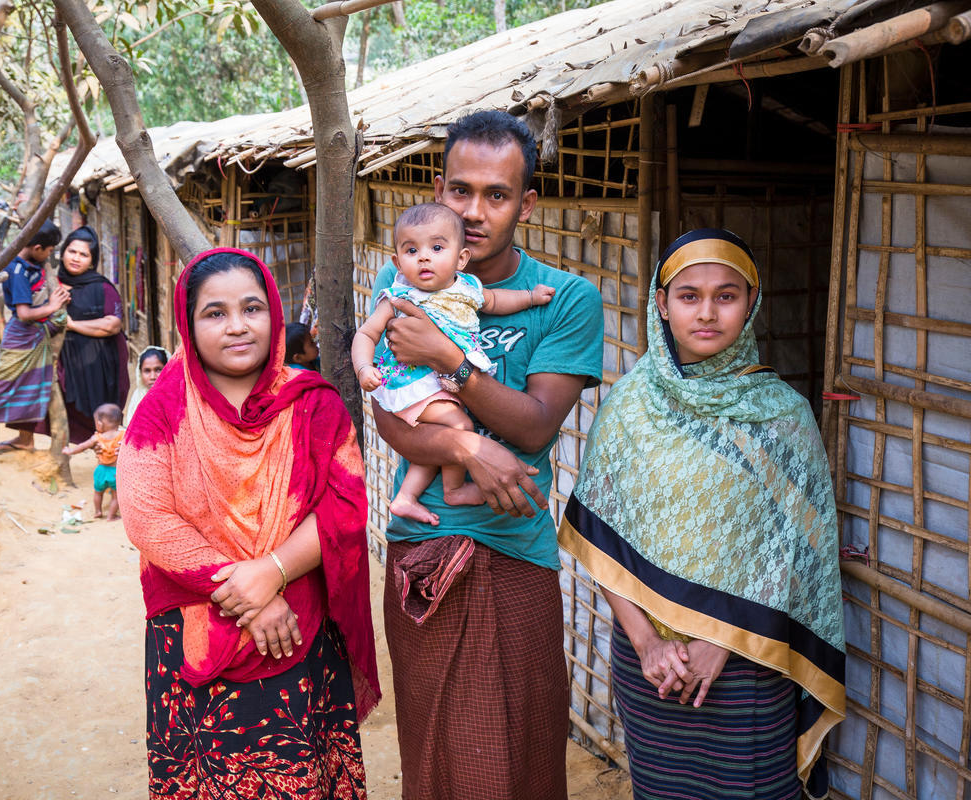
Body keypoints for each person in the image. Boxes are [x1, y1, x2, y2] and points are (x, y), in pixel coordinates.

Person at [557, 228, 846, 800]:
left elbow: (796, 549)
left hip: (747, 662)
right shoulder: (629, 410)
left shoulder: (785, 419)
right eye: (689, 296)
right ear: (661, 304)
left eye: (726, 295)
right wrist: (646, 644)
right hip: (651, 667)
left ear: (751, 303)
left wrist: (722, 638)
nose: (707, 312)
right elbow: (603, 537)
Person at [369, 110, 603, 799]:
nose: (473, 212)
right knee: (437, 759)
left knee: (524, 760)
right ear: (439, 189)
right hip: (423, 548)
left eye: (496, 195)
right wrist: (471, 445)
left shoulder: (565, 299)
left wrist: (450, 361)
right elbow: (392, 420)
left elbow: (533, 429)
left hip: (515, 555)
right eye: (460, 191)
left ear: (526, 203)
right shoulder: (405, 283)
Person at [117, 247, 379, 798]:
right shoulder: (161, 409)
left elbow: (344, 504)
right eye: (215, 313)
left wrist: (276, 569)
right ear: (189, 325)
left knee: (299, 775)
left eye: (252, 308)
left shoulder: (314, 404)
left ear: (274, 314)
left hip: (295, 632)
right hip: (198, 626)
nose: (237, 326)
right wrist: (255, 590)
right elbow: (147, 518)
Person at [353, 202, 554, 524]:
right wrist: (364, 368)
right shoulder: (398, 297)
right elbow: (366, 333)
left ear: (461, 259)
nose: (423, 257)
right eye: (411, 250)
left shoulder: (468, 288)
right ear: (397, 263)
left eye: (436, 247)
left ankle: (406, 495)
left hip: (444, 383)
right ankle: (454, 490)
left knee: (442, 431)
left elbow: (497, 301)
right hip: (415, 382)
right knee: (460, 426)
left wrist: (530, 298)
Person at [0, 220, 68, 458]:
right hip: (21, 338)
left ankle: (25, 439)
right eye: (49, 250)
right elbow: (24, 313)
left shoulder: (30, 264)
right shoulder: (18, 271)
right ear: (36, 247)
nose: (50, 255)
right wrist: (53, 305)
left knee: (30, 388)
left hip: (34, 336)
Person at [48, 225, 129, 444]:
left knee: (101, 415)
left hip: (98, 365)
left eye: (84, 254)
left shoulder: (102, 288)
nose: (76, 258)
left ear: (92, 261)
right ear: (63, 252)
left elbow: (112, 324)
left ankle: (109, 460)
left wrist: (73, 325)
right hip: (64, 361)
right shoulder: (51, 285)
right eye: (72, 251)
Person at [63, 402, 124, 520]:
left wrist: (70, 451)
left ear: (100, 424)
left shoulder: (97, 437)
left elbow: (83, 446)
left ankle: (98, 511)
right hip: (116, 472)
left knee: (98, 492)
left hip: (100, 470)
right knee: (116, 497)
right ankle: (111, 516)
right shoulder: (122, 435)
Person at [122, 346, 169, 426]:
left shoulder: (175, 396)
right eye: (147, 371)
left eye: (158, 370)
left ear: (168, 369)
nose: (152, 376)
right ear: (140, 373)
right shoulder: (137, 397)